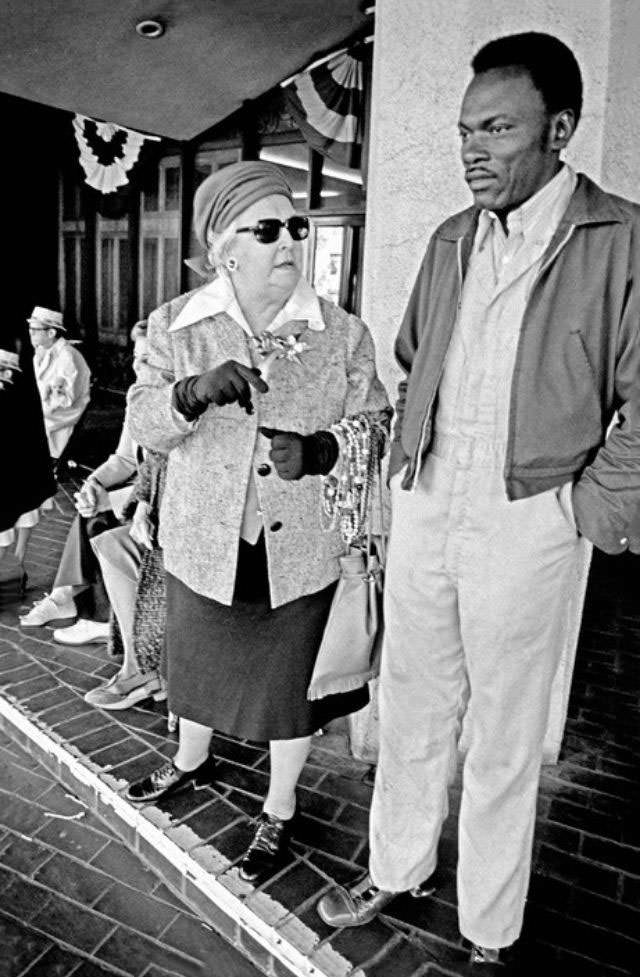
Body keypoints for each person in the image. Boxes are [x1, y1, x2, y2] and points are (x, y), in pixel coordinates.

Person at [316, 32, 640, 965]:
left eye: (497, 127)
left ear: (561, 129)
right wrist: (410, 462)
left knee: (505, 726)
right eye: (465, 131)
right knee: (414, 698)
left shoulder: (618, 238)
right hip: (429, 494)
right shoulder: (453, 238)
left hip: (530, 509)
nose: (473, 150)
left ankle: (488, 925)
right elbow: (417, 354)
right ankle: (397, 865)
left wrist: (584, 505)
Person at [125, 160, 389, 883]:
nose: (288, 242)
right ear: (223, 248)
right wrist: (190, 392)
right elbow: (144, 423)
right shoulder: (178, 327)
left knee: (287, 688)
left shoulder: (341, 333)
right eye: (266, 228)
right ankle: (188, 761)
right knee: (198, 665)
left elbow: (375, 424)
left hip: (298, 548)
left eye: (296, 226)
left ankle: (278, 808)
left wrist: (323, 447)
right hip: (204, 540)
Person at [20, 322, 148, 633]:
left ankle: (99, 617)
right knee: (89, 506)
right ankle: (72, 599)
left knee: (99, 517)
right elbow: (125, 458)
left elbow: (169, 482)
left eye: (147, 358)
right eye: (135, 355)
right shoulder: (139, 397)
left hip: (161, 504)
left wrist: (112, 498)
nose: (137, 365)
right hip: (139, 492)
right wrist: (95, 484)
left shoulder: (185, 406)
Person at [0, 346, 57, 596]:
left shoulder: (18, 394)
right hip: (20, 471)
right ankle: (14, 569)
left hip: (18, 470)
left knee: (13, 522)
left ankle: (16, 566)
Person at [29, 306, 91, 466]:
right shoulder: (42, 352)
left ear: (51, 333)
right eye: (30, 328)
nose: (31, 333)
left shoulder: (67, 356)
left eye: (36, 329)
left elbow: (66, 400)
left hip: (64, 412)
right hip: (50, 407)